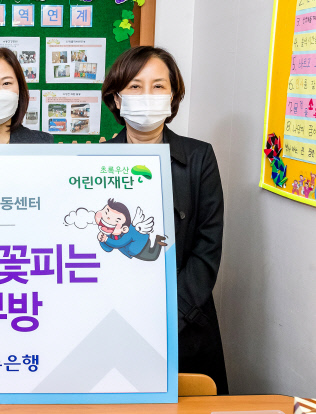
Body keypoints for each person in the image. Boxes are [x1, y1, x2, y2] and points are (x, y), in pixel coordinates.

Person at [101, 46, 228, 394]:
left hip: (184, 322)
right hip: (114, 318)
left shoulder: (199, 157)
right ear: (117, 98)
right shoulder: (96, 159)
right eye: (135, 86)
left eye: (158, 86)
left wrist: (172, 314)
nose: (147, 95)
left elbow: (207, 247)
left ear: (172, 96)